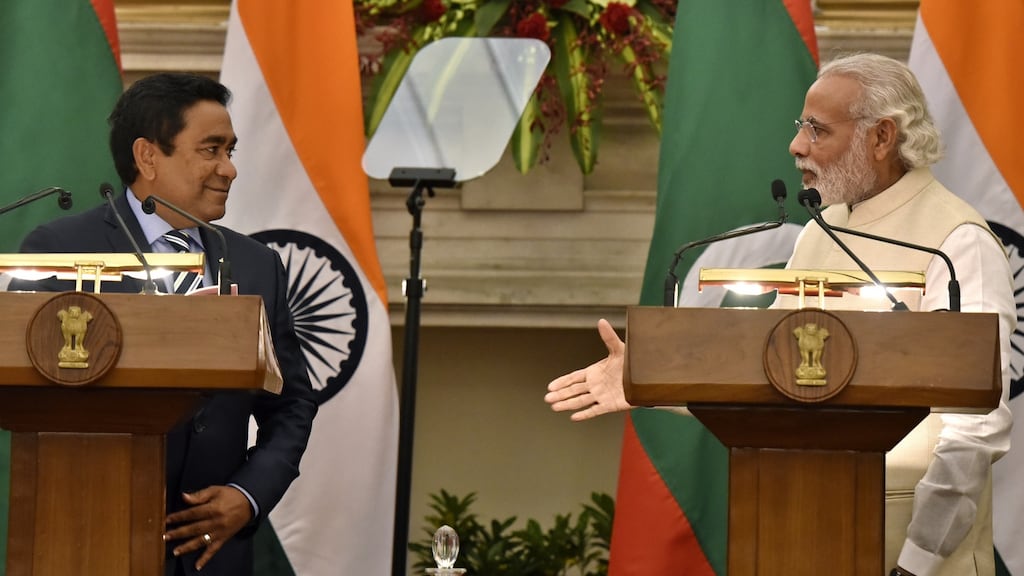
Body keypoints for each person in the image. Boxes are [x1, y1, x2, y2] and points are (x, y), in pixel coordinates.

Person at [545, 53, 1015, 576]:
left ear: (882, 138)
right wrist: (648, 375)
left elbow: (976, 432)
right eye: (801, 128)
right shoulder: (822, 229)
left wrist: (916, 562)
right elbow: (769, 373)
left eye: (817, 130)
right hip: (797, 533)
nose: (796, 146)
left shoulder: (958, 243)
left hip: (912, 556)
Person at [8, 73, 318, 576]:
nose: (230, 169)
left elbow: (293, 402)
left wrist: (248, 495)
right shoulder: (59, 251)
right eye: (211, 150)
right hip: (86, 536)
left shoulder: (257, 263)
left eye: (231, 150)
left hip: (213, 552)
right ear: (148, 157)